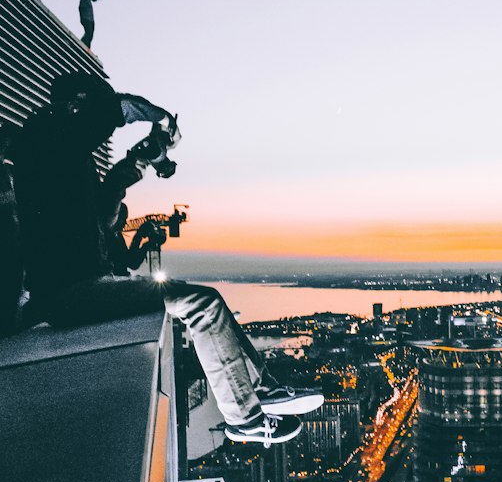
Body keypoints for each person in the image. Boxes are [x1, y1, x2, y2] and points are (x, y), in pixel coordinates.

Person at [12, 73, 320, 445]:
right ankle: (243, 417)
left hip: (80, 288)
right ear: (75, 107)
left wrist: (140, 159)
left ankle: (258, 390)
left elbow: (103, 205)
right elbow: (113, 110)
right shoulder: (51, 135)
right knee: (202, 304)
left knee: (203, 302)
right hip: (71, 294)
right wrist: (160, 119)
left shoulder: (54, 155)